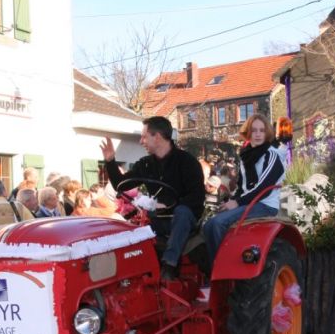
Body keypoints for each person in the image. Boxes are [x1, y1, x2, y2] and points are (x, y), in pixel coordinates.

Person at [100, 116, 205, 280]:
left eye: (144, 136)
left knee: (183, 212)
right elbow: (121, 185)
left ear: (157, 136)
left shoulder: (187, 162)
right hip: (157, 220)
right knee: (133, 226)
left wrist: (169, 206)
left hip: (182, 221)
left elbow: (197, 198)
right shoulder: (146, 164)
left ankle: (169, 265)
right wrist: (110, 161)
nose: (141, 141)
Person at [204, 113, 286, 263]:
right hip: (249, 203)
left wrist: (237, 203)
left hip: (265, 205)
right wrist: (231, 201)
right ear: (248, 133)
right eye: (254, 130)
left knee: (218, 224)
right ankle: (214, 267)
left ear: (267, 132)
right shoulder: (246, 156)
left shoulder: (272, 156)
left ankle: (223, 268)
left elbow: (263, 188)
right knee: (208, 225)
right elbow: (243, 188)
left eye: (262, 130)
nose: (258, 134)